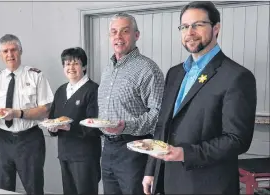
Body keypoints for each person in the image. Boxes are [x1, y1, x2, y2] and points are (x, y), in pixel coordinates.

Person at [142, 2, 257, 194]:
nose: (190, 32)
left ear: (216, 28)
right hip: (170, 180)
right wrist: (151, 170)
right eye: (185, 26)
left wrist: (186, 153)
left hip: (208, 185)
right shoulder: (175, 73)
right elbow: (163, 126)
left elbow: (237, 139)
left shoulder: (236, 76)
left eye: (198, 25)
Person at [97, 13, 165, 195]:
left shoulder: (148, 69)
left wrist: (127, 126)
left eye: (124, 31)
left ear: (136, 35)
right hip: (107, 148)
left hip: (134, 150)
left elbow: (158, 114)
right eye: (113, 32)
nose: (118, 37)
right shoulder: (107, 69)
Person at [0, 34, 54, 195]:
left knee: (33, 187)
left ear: (20, 51)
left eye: (13, 50)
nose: (10, 54)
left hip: (29, 139)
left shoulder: (36, 75)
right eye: (5, 51)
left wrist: (17, 113)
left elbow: (45, 109)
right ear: (0, 55)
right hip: (2, 139)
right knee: (2, 187)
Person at [46, 47, 102, 194]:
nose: (70, 67)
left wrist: (71, 128)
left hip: (85, 156)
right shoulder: (60, 90)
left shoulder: (93, 90)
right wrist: (52, 128)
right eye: (66, 64)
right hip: (64, 153)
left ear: (84, 66)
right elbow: (52, 118)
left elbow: (96, 126)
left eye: (75, 63)